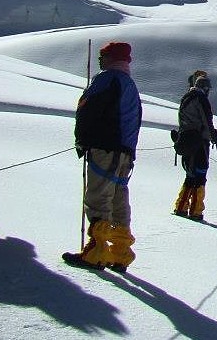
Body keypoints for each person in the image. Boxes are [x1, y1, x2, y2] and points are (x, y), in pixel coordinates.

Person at [63, 41, 143, 272]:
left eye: (103, 56)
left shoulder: (106, 79)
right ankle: (120, 252)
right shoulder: (129, 84)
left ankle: (97, 252)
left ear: (110, 58)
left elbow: (87, 108)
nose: (100, 61)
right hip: (125, 152)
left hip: (104, 147)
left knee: (99, 196)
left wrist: (83, 139)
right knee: (119, 198)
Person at [172, 70, 217, 221]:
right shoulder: (201, 99)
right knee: (200, 175)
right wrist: (213, 135)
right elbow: (206, 121)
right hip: (200, 141)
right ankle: (196, 210)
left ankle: (181, 206)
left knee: (190, 175)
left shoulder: (186, 97)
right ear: (205, 88)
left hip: (186, 139)